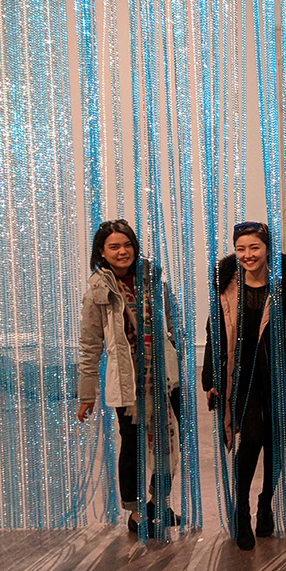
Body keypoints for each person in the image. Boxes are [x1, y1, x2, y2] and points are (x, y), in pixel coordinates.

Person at [203, 222, 286, 550]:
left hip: (279, 372)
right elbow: (214, 331)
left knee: (276, 442)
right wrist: (210, 379)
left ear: (266, 248)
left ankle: (266, 501)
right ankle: (242, 510)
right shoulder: (224, 283)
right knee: (249, 440)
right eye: (241, 249)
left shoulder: (283, 281)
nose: (248, 255)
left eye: (254, 248)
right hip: (241, 375)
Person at [77, 219, 181, 535]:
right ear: (102, 253)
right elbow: (90, 344)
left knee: (170, 443)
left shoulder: (154, 281)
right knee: (134, 447)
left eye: (127, 245)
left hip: (164, 378)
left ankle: (158, 504)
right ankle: (136, 514)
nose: (123, 252)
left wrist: (176, 356)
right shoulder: (98, 292)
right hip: (128, 383)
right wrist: (86, 393)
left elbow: (173, 322)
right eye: (114, 247)